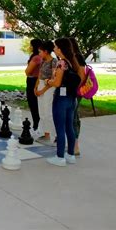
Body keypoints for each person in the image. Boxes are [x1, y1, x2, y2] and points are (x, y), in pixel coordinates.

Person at [44, 38, 82, 166]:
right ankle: (70, 154)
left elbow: (57, 82)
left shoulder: (61, 63)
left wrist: (49, 82)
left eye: (55, 46)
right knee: (69, 127)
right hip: (71, 98)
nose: (54, 48)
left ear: (60, 48)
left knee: (60, 128)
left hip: (61, 98)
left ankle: (60, 157)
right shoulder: (72, 63)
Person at [34, 40, 57, 146]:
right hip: (41, 85)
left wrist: (42, 90)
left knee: (48, 112)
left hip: (49, 87)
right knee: (41, 111)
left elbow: (53, 79)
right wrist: (36, 88)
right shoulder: (43, 61)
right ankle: (44, 133)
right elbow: (39, 75)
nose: (39, 53)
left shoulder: (54, 62)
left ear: (46, 51)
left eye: (40, 51)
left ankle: (52, 135)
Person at [69, 37, 87, 156]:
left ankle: (75, 145)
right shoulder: (69, 58)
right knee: (70, 117)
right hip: (70, 91)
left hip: (75, 92)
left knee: (74, 117)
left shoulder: (77, 57)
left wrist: (74, 89)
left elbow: (82, 76)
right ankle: (70, 142)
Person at [24, 38, 43, 133]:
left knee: (33, 104)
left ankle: (36, 125)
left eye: (31, 45)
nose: (30, 47)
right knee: (37, 104)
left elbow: (27, 71)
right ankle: (38, 125)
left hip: (33, 80)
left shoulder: (36, 57)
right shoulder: (42, 56)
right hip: (38, 80)